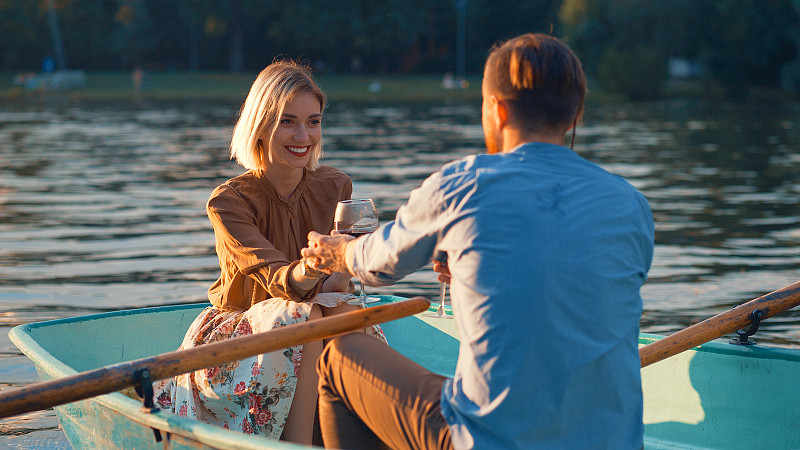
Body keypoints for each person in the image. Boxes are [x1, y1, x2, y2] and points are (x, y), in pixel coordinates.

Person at [303, 33, 654, 449]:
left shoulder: (462, 186)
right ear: (575, 115)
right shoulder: (631, 204)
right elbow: (570, 279)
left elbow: (377, 265)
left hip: (489, 440)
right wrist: (476, 268)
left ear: (497, 110)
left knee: (342, 356)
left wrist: (337, 253)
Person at [153, 59, 384, 445]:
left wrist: (352, 255)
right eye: (288, 121)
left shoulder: (336, 186)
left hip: (314, 315)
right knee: (302, 315)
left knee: (346, 311)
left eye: (313, 121)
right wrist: (317, 262)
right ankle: (297, 444)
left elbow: (337, 284)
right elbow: (279, 280)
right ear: (260, 126)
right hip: (237, 339)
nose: (303, 135)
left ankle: (364, 434)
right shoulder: (229, 201)